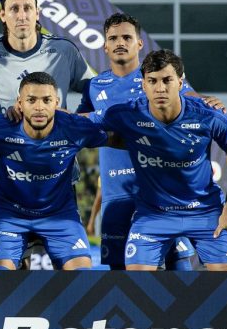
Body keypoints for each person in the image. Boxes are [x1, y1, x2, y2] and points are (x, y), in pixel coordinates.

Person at [91, 50, 227, 271]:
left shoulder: (209, 115)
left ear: (180, 82)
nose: (160, 88)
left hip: (204, 210)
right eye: (152, 81)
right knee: (134, 279)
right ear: (143, 84)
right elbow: (80, 121)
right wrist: (43, 113)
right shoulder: (126, 114)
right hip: (153, 213)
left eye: (167, 80)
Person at [77, 13, 198, 271]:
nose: (120, 42)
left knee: (180, 272)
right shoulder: (94, 87)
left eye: (127, 37)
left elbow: (193, 105)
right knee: (122, 281)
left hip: (161, 192)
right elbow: (79, 125)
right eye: (113, 38)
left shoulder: (159, 80)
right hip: (116, 194)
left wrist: (207, 102)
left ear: (139, 44)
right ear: (105, 45)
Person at [0, 72, 108, 269]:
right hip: (10, 215)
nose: (39, 107)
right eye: (31, 100)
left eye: (46, 100)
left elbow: (119, 138)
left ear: (56, 103)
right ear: (19, 103)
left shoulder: (74, 127)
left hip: (60, 215)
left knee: (82, 277)